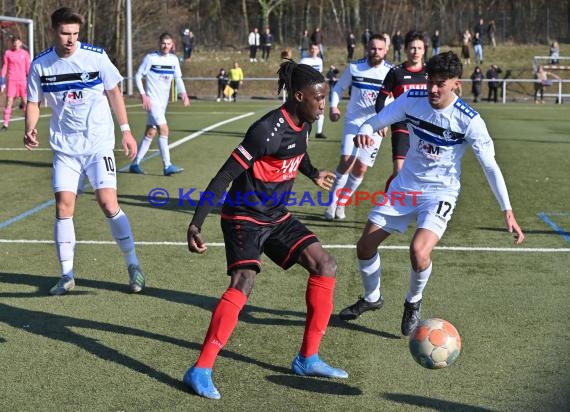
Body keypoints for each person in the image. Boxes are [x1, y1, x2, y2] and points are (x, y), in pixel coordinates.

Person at [183, 60, 347, 400]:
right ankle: (200, 369)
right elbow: (224, 175)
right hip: (243, 215)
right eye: (318, 98)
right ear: (299, 96)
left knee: (325, 265)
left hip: (276, 215)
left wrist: (314, 173)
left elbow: (296, 154)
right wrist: (196, 223)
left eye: (325, 97)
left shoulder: (303, 122)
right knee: (244, 282)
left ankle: (307, 358)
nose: (324, 104)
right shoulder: (266, 129)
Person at [338, 51, 525, 336]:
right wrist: (364, 129)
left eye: (440, 83)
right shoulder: (412, 99)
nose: (433, 89)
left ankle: (413, 302)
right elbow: (376, 121)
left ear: (456, 84)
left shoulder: (469, 121)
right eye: (430, 82)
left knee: (419, 251)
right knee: (364, 246)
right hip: (404, 187)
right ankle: (372, 297)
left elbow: (490, 166)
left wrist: (507, 210)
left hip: (440, 193)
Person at [24, 7, 145, 295]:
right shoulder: (41, 65)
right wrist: (29, 128)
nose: (71, 39)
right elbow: (33, 101)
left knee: (107, 203)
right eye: (66, 33)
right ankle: (66, 275)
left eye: (75, 33)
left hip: (98, 144)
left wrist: (126, 131)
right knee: (64, 206)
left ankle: (133, 265)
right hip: (65, 148)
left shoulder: (95, 56)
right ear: (54, 30)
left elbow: (114, 92)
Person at [325, 34, 392, 221]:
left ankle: (342, 204)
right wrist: (333, 106)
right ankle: (331, 204)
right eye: (372, 48)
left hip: (375, 126)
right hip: (353, 123)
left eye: (380, 49)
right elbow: (338, 88)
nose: (376, 52)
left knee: (361, 168)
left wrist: (386, 121)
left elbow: (393, 99)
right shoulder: (355, 67)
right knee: (347, 161)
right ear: (366, 48)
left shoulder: (391, 72)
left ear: (386, 50)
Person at [129, 32, 190, 176]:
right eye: (163, 43)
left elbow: (178, 78)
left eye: (168, 44)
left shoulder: (174, 60)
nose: (166, 46)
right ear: (159, 44)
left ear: (172, 45)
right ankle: (167, 165)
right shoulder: (150, 58)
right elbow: (138, 76)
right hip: (152, 102)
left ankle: (135, 163)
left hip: (163, 103)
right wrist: (144, 95)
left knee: (151, 132)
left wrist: (184, 94)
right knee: (164, 129)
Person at [375, 30, 427, 191]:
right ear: (405, 50)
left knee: (422, 174)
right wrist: (381, 121)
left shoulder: (430, 73)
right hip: (401, 126)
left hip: (425, 129)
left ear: (424, 50)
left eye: (419, 48)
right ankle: (386, 207)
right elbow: (380, 100)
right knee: (399, 171)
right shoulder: (396, 72)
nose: (416, 51)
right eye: (412, 48)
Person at [1, 36, 31, 131]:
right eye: (14, 43)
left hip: (22, 81)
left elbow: (28, 68)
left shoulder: (25, 54)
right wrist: (2, 80)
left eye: (18, 42)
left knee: (25, 101)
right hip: (12, 81)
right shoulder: (8, 53)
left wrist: (31, 80)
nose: (16, 44)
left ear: (21, 43)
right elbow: (5, 66)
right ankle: (5, 124)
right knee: (9, 101)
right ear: (12, 44)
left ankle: (29, 123)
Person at [300, 43, 327, 138]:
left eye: (315, 49)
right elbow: (300, 73)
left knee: (321, 109)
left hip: (318, 89)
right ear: (309, 50)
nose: (313, 50)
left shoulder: (320, 60)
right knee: (307, 111)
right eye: (311, 48)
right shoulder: (304, 60)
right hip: (308, 89)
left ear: (318, 50)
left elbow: (320, 74)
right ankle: (303, 132)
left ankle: (319, 132)